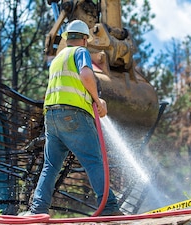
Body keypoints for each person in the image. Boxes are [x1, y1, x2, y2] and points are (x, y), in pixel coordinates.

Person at [29, 20, 123, 216]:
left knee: (51, 165)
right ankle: (109, 207)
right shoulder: (80, 52)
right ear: (85, 39)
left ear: (66, 38)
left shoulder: (56, 60)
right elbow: (86, 74)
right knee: (93, 160)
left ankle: (38, 209)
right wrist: (98, 100)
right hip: (74, 115)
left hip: (52, 117)